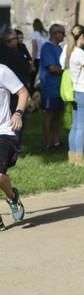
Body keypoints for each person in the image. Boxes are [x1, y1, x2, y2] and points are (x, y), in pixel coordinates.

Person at [60, 25, 84, 167]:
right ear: (82, 37)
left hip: (75, 91)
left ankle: (72, 156)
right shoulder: (80, 53)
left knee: (75, 126)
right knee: (82, 127)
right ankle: (80, 159)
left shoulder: (69, 52)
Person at [0, 63, 28, 231]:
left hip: (3, 132)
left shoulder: (2, 71)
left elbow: (23, 92)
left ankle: (12, 197)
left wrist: (18, 113)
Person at [39, 23, 65, 149]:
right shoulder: (47, 47)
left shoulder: (60, 48)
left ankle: (56, 141)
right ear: (55, 34)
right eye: (62, 33)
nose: (63, 36)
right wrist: (67, 71)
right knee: (49, 115)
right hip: (50, 87)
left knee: (57, 115)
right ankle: (48, 142)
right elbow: (52, 68)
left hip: (60, 87)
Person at [31, 19, 48, 91]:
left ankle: (32, 93)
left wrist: (32, 61)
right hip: (46, 57)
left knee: (33, 77)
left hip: (38, 58)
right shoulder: (46, 33)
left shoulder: (34, 34)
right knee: (44, 76)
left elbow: (35, 48)